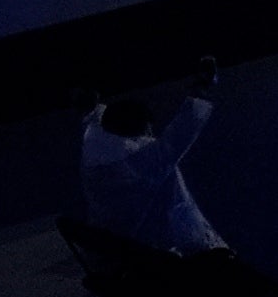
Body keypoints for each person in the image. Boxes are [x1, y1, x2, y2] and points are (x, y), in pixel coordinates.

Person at [77, 68, 226, 256]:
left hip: (114, 245)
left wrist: (92, 106)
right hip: (164, 251)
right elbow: (182, 131)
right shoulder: (143, 161)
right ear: (139, 129)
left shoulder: (94, 144)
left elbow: (96, 120)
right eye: (148, 128)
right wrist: (202, 90)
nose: (151, 133)